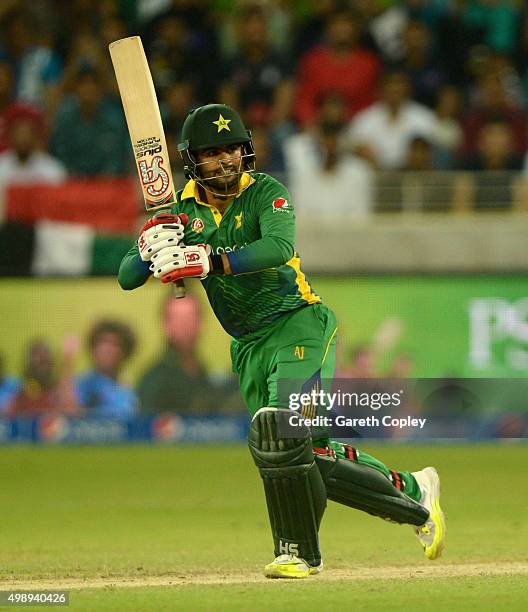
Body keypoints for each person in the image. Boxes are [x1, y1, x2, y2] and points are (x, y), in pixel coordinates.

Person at [118, 103, 445, 579]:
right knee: (304, 451)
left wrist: (209, 259)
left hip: (298, 324)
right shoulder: (179, 213)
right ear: (193, 160)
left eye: (232, 148)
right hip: (249, 346)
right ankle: (415, 493)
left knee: (280, 433)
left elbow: (278, 247)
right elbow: (128, 277)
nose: (227, 160)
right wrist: (149, 247)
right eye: (213, 153)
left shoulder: (266, 192)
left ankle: (296, 552)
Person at [138, 292, 242, 414]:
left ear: (201, 323)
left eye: (190, 318)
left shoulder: (204, 374)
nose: (185, 325)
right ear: (165, 324)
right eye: (178, 319)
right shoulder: (153, 381)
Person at [76, 319, 138, 419]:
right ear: (93, 349)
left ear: (125, 352)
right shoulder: (84, 384)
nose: (108, 350)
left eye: (115, 344)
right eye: (103, 343)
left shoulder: (130, 390)